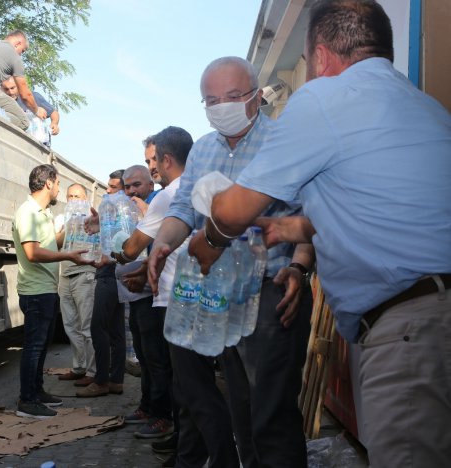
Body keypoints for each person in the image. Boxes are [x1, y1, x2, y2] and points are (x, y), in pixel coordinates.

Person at [189, 2, 451, 466]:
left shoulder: (325, 98)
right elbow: (379, 209)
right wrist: (293, 226)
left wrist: (207, 244)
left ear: (323, 57)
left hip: (410, 327)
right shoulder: (425, 106)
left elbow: (229, 212)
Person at [147, 57, 314, 468]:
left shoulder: (285, 140)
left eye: (233, 96)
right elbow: (184, 209)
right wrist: (160, 245)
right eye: (211, 99)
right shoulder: (203, 149)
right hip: (221, 295)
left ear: (257, 95)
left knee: (271, 413)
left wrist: (300, 266)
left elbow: (313, 213)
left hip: (274, 291)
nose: (222, 106)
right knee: (240, 407)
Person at [113, 128, 193, 447]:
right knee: (181, 376)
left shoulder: (167, 196)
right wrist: (146, 268)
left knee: (177, 375)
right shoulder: (195, 189)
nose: (152, 167)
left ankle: (181, 442)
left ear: (167, 159)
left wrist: (112, 242)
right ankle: (181, 440)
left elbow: (132, 248)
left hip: (172, 298)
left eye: (154, 161)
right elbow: (176, 245)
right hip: (186, 296)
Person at [12, 164, 91, 419]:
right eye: (58, 185)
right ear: (48, 183)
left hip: (46, 289)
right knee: (34, 346)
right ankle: (27, 400)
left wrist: (75, 224)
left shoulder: (43, 213)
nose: (59, 190)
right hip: (35, 291)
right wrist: (67, 255)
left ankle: (37, 391)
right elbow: (33, 252)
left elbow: (53, 242)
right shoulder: (28, 213)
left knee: (42, 344)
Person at [75, 170, 127, 398]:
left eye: (113, 187)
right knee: (115, 330)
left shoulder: (124, 213)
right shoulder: (115, 217)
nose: (108, 191)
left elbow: (122, 246)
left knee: (98, 327)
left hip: (110, 275)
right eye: (108, 187)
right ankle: (116, 380)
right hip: (113, 274)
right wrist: (98, 227)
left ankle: (102, 380)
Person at [56, 184, 97, 387]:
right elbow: (55, 244)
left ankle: (92, 371)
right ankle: (78, 367)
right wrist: (67, 226)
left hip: (85, 275)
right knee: (70, 325)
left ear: (86, 198)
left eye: (78, 196)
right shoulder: (61, 217)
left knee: (87, 326)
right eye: (70, 196)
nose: (74, 200)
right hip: (65, 276)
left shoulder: (92, 217)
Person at [1, 76, 60, 146]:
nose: (10, 92)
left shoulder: (32, 97)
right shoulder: (2, 102)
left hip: (39, 143)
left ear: (18, 86)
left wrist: (54, 123)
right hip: (17, 142)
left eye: (12, 88)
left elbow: (53, 112)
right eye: (6, 89)